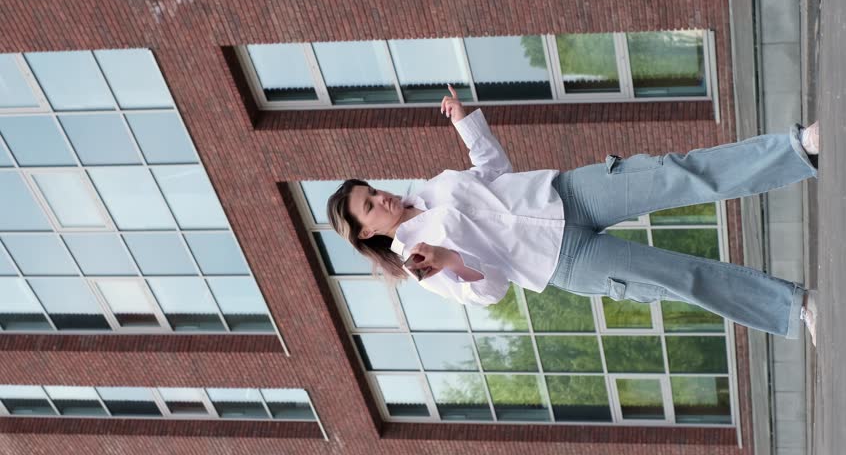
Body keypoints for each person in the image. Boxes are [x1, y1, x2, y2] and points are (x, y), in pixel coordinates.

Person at [327, 85, 820, 346]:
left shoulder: (429, 188)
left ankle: (796, 149)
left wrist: (466, 123)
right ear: (367, 231)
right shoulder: (420, 265)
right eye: (370, 206)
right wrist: (450, 258)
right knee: (680, 278)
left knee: (679, 174)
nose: (381, 198)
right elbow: (492, 289)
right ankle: (792, 307)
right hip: (566, 261)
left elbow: (495, 171)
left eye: (373, 191)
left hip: (566, 193)